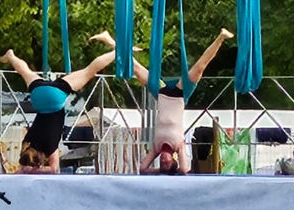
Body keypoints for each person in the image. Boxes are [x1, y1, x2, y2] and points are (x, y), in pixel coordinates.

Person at [91, 29, 233, 175]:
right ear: (174, 160)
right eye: (168, 162)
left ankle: (108, 39)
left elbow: (142, 169)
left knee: (135, 67)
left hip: (161, 92)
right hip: (180, 93)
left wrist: (159, 171)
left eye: (162, 163)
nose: (164, 160)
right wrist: (176, 170)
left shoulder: (156, 148)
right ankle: (221, 37)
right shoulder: (179, 146)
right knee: (200, 66)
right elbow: (185, 169)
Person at [0, 42, 116, 174]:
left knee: (89, 71)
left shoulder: (50, 147)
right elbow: (26, 163)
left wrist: (33, 171)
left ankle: (117, 53)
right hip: (38, 96)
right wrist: (23, 170)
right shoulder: (27, 144)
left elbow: (54, 169)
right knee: (25, 72)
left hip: (54, 99)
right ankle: (11, 56)